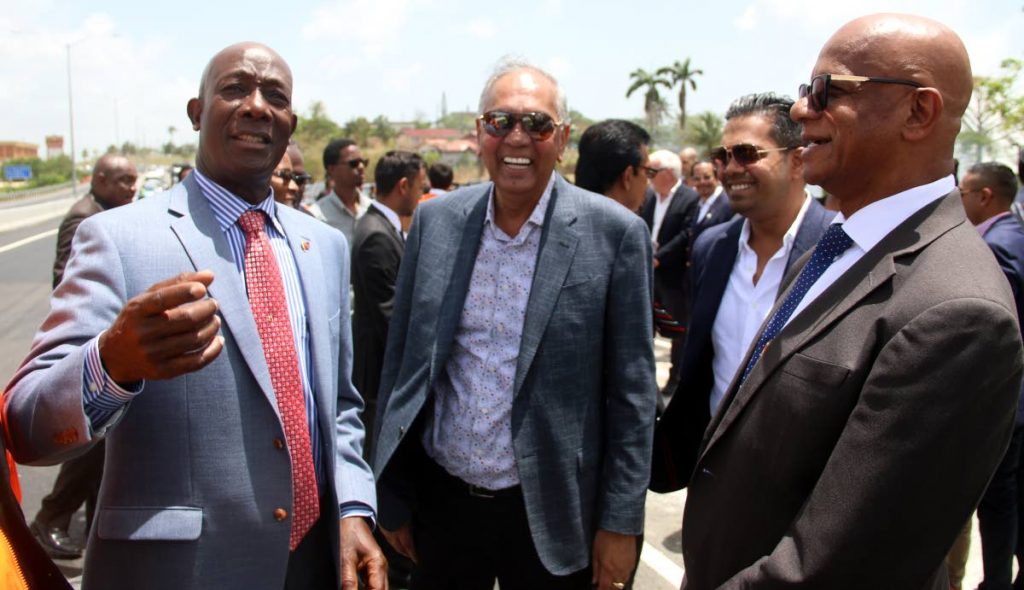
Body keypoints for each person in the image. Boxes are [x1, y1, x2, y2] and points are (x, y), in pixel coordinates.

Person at [3, 42, 385, 590]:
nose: (256, 105)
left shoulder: (321, 246)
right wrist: (109, 364)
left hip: (314, 565)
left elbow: (340, 407)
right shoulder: (118, 239)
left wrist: (352, 508)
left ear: (290, 124)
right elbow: (27, 425)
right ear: (196, 112)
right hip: (182, 572)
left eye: (274, 96)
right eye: (235, 88)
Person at [680, 14, 1024, 589]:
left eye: (827, 91)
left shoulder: (957, 313)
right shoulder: (841, 243)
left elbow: (842, 566)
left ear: (920, 112)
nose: (799, 111)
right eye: (802, 91)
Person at [373, 58, 656, 590]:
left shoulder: (615, 234)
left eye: (538, 124)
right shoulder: (436, 222)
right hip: (445, 503)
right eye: (501, 122)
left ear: (563, 138)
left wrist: (620, 522)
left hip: (552, 512)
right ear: (480, 132)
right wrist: (390, 492)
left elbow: (633, 396)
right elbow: (402, 361)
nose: (517, 138)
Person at [649, 92, 834, 492]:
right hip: (712, 475)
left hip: (803, 487)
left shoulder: (839, 249)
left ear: (798, 160)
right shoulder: (711, 247)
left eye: (748, 154)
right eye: (724, 156)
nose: (731, 169)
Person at [32, 154, 138, 561]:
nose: (131, 188)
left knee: (105, 449)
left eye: (134, 181)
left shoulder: (108, 213)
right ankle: (51, 519)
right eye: (123, 181)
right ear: (99, 180)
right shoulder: (84, 219)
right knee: (89, 446)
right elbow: (69, 279)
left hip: (110, 348)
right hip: (91, 349)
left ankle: (93, 527)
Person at [960, 162, 1024, 590]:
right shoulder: (1014, 235)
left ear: (985, 196)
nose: (957, 200)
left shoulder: (998, 247)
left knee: (998, 503)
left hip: (1005, 402)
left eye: (964, 191)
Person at [352, 150, 425, 458]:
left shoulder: (382, 227)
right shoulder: (377, 236)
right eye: (422, 186)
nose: (423, 194)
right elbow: (390, 314)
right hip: (376, 378)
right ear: (404, 186)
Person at [574, 118, 653, 212]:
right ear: (627, 177)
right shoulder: (631, 225)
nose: (649, 183)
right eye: (647, 172)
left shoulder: (558, 218)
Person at [314, 138, 371, 246]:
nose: (361, 167)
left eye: (363, 162)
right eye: (354, 163)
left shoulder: (372, 209)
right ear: (331, 169)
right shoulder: (317, 215)